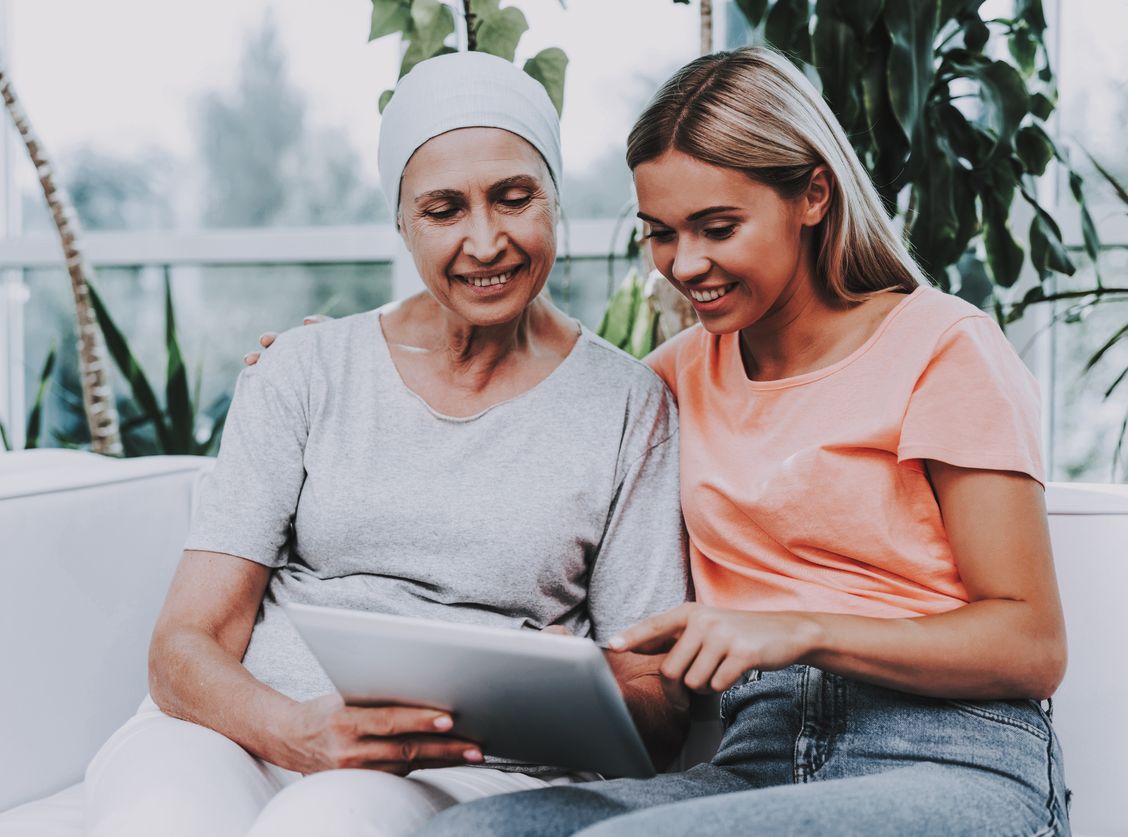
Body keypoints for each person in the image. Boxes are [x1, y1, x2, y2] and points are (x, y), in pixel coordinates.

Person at [415, 46, 1070, 837]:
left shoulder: (942, 346)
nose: (685, 264)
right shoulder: (668, 380)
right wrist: (345, 357)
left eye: (717, 227)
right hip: (756, 760)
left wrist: (798, 628)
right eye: (661, 233)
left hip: (953, 757)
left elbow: (1031, 642)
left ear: (814, 195)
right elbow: (502, 414)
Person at [82, 50, 690, 837]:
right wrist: (297, 730)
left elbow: (659, 708)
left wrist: (560, 686)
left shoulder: (629, 406)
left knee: (328, 820)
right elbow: (182, 648)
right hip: (234, 732)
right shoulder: (303, 370)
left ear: (555, 199)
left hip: (455, 774)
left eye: (513, 198)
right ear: (401, 222)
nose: (485, 241)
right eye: (443, 209)